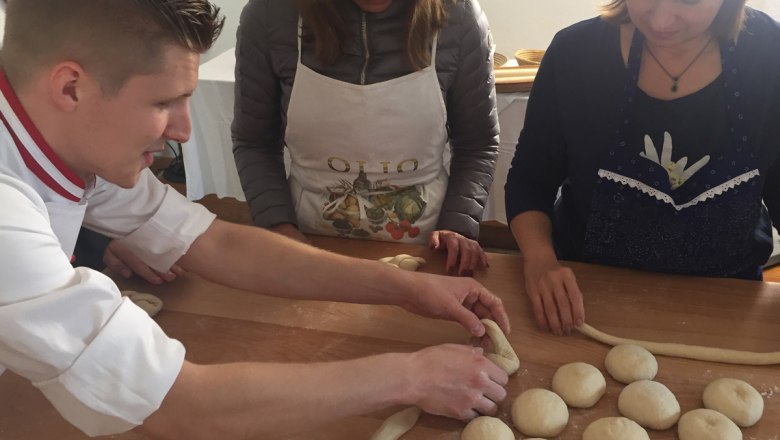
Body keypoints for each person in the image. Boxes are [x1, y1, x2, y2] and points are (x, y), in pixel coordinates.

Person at [0, 0, 512, 438]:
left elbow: (215, 243)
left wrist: (403, 289)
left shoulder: (70, 148)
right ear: (70, 87)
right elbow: (179, 404)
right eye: (163, 103)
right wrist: (413, 377)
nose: (183, 130)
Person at [505, 0, 780, 335]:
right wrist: (541, 261)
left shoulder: (770, 56)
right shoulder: (575, 55)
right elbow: (530, 181)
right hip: (584, 301)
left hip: (730, 305)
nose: (661, 20)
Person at [231, 0, 499, 277]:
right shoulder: (270, 15)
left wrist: (458, 224)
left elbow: (477, 144)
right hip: (308, 240)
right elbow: (255, 143)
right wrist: (278, 227)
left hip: (426, 246)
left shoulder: (460, 16)